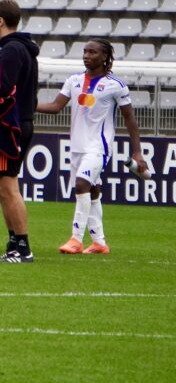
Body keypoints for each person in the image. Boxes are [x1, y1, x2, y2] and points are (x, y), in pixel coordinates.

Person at [37, 39, 147, 255]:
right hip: (77, 146)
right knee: (92, 190)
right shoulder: (74, 80)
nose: (87, 55)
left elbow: (130, 119)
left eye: (92, 52)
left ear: (104, 57)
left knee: (81, 185)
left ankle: (76, 239)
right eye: (85, 51)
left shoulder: (116, 85)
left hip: (99, 146)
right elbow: (55, 106)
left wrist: (137, 152)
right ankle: (99, 242)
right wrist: (27, 105)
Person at [0, 0, 40, 263]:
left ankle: (23, 248)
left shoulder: (10, 50)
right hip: (20, 122)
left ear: (0, 21)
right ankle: (14, 244)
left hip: (12, 125)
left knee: (7, 186)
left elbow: (3, 91)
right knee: (0, 184)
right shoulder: (23, 48)